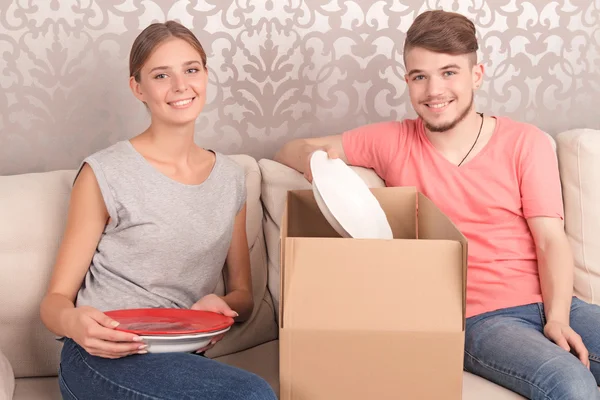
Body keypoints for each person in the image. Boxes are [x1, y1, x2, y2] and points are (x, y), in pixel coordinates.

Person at [275, 9, 600, 400]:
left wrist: (559, 318)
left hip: (553, 303)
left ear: (475, 75)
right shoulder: (392, 140)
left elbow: (550, 239)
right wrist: (316, 162)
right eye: (420, 76)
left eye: (449, 73)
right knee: (572, 384)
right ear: (408, 81)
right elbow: (291, 149)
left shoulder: (525, 142)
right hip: (478, 319)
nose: (433, 91)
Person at [39, 20, 277, 400]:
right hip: (101, 356)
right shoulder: (104, 172)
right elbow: (54, 303)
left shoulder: (231, 178)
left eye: (191, 70)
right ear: (138, 88)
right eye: (161, 75)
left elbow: (243, 297)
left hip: (178, 355)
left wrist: (223, 305)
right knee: (251, 394)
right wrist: (74, 323)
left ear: (206, 76)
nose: (181, 86)